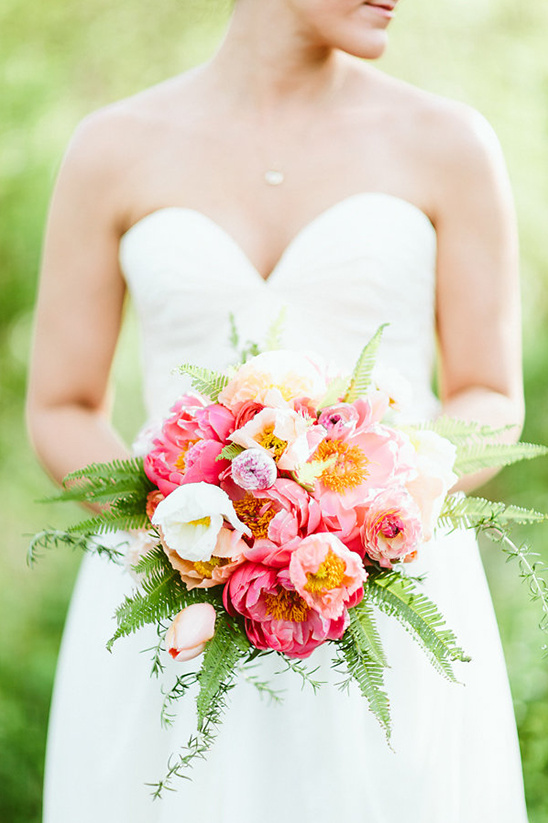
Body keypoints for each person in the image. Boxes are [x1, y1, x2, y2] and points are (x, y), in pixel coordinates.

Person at [26, 0, 528, 821]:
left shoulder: (449, 142)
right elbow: (61, 403)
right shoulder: (111, 148)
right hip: (173, 607)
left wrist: (361, 521)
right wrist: (195, 535)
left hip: (390, 606)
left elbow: (490, 393)